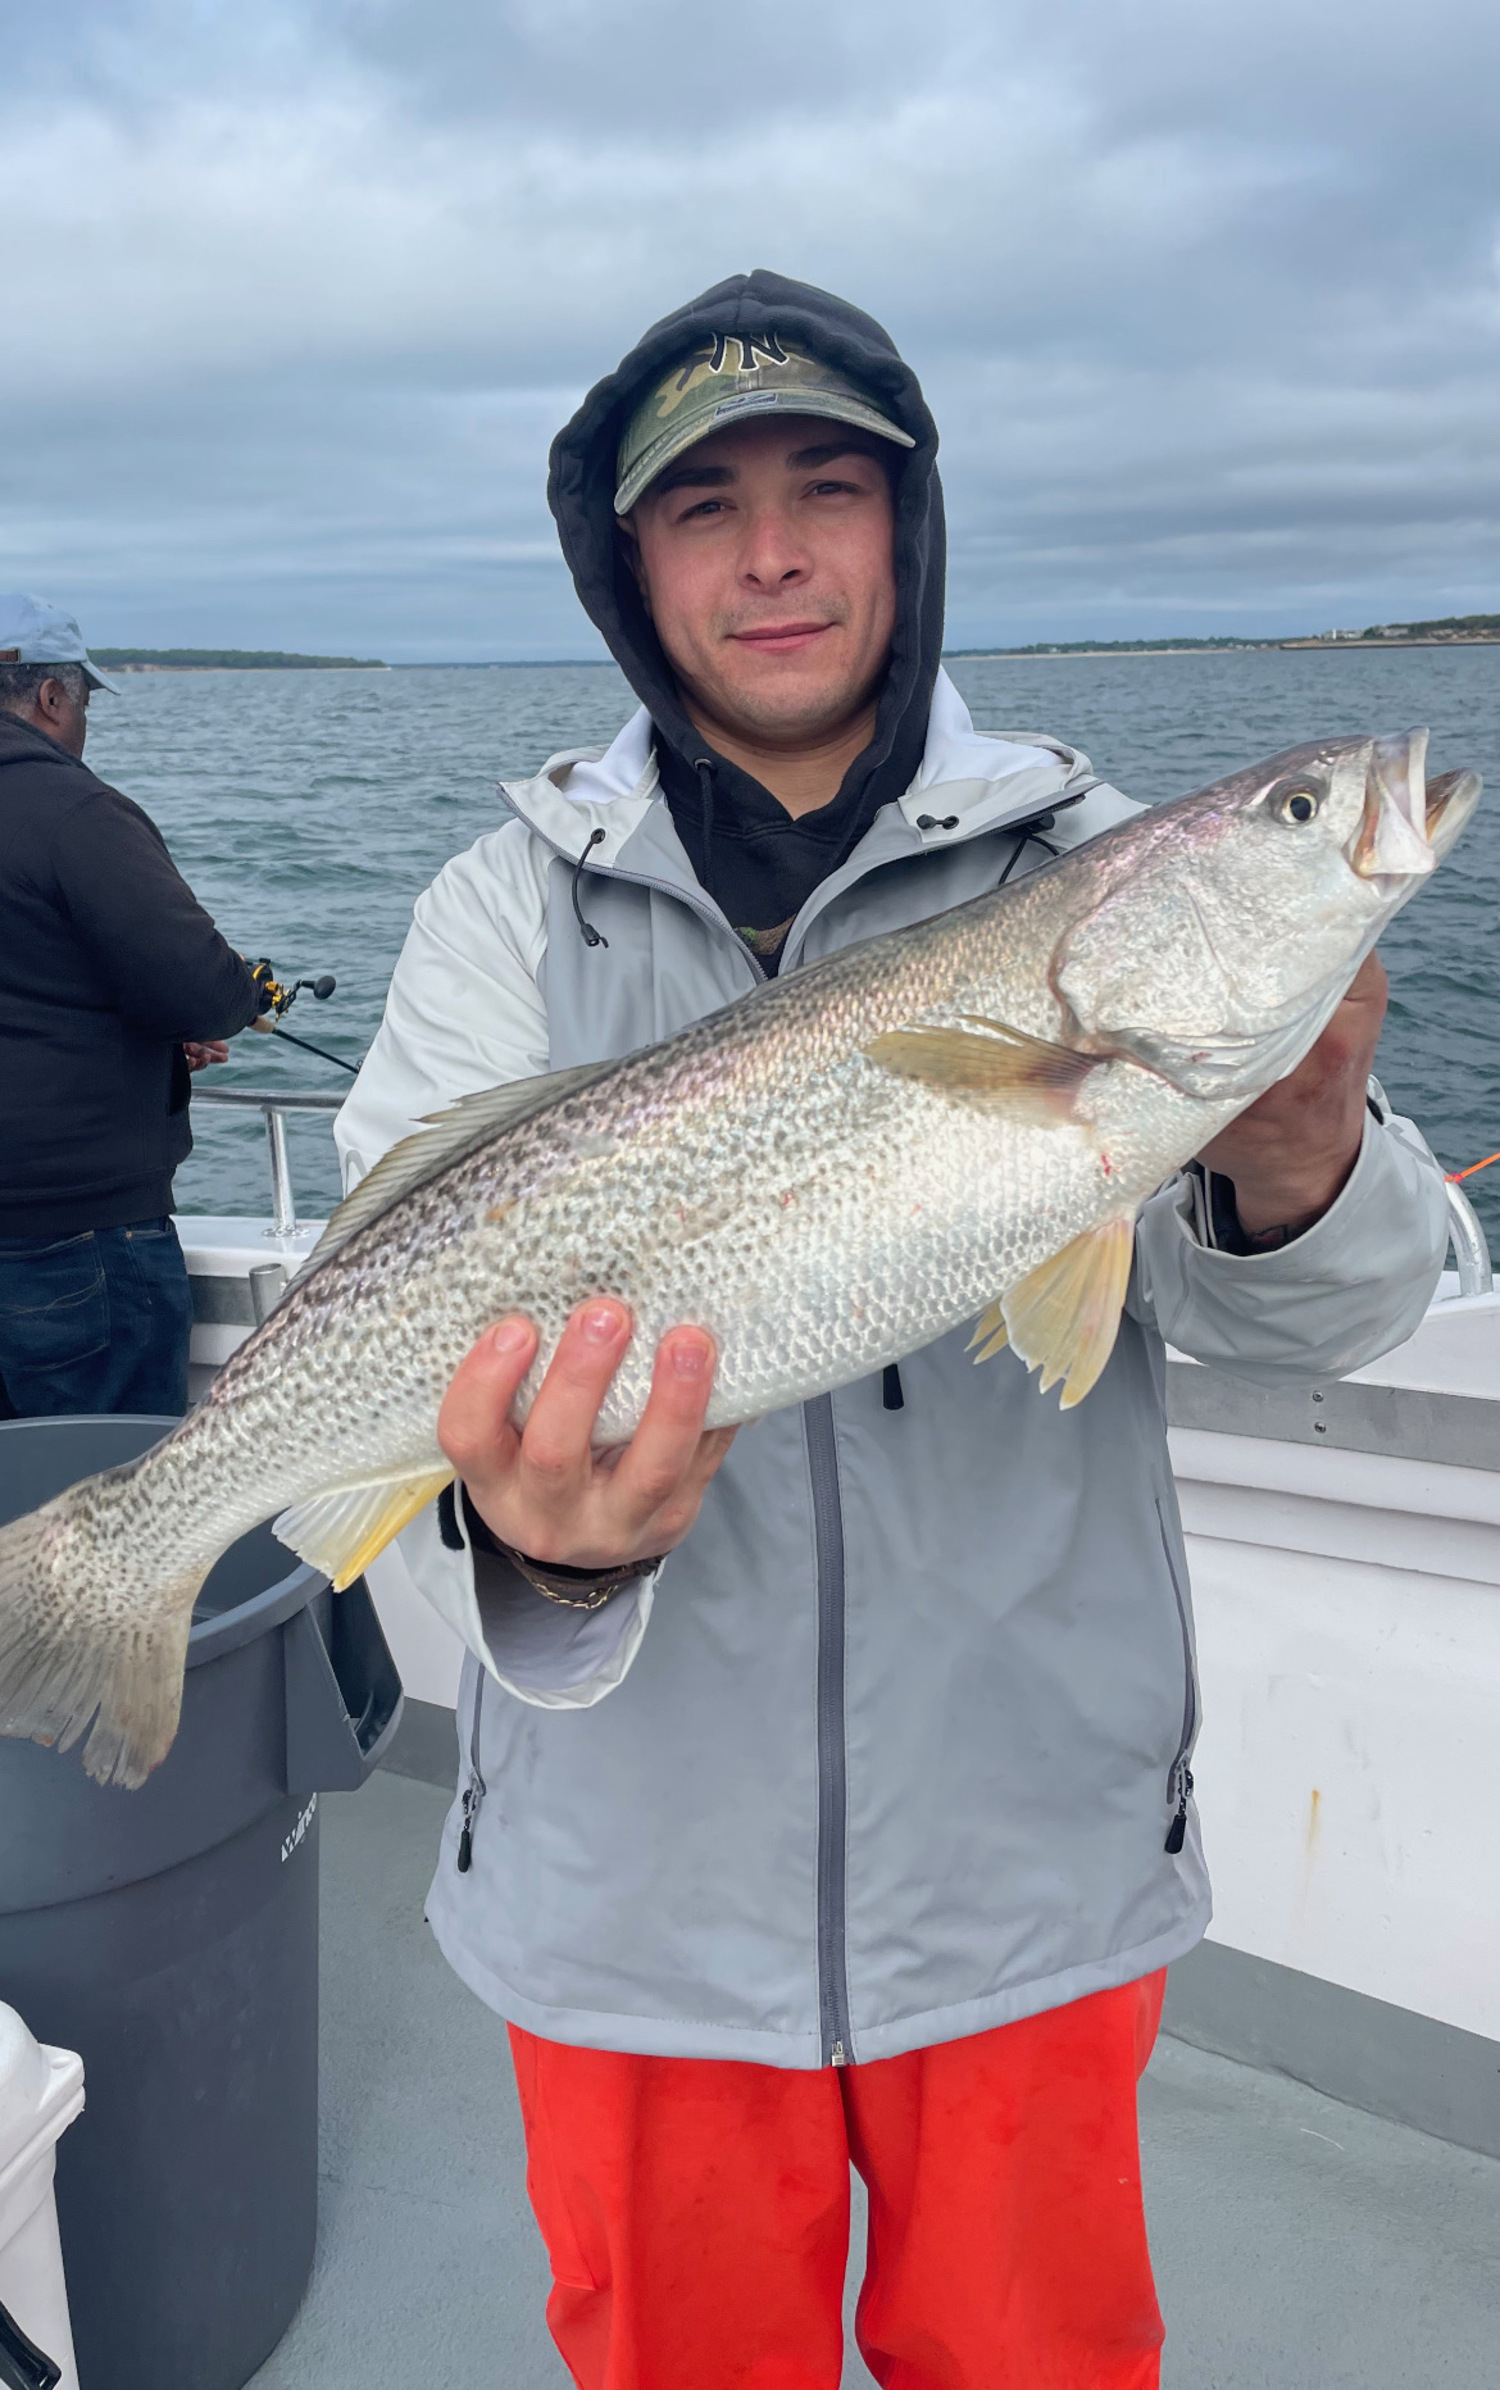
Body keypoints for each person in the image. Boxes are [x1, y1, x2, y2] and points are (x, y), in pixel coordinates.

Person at [337, 273, 1449, 2388]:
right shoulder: (506, 903)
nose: (772, 551)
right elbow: (424, 1364)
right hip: (624, 1891)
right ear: (626, 565)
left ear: (907, 529)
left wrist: (1293, 1158)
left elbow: (1310, 1320)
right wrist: (554, 1547)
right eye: (705, 508)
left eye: (829, 487)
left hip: (1027, 1860)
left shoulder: (1096, 865)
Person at [0, 594, 262, 1420]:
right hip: (71, 1243)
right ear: (51, 697)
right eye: (82, 702)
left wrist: (138, 1038)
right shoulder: (75, 812)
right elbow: (201, 988)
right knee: (100, 1498)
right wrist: (231, 1000)